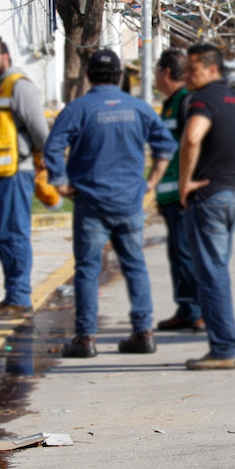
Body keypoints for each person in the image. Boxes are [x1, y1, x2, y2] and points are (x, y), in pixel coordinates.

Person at [43, 49, 178, 357]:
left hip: (90, 202)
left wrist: (61, 183)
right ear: (119, 77)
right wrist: (151, 182)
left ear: (88, 75)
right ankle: (144, 332)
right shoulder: (139, 108)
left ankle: (86, 338)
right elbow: (165, 147)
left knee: (88, 269)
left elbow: (52, 148)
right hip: (129, 202)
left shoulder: (78, 109)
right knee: (135, 265)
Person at [177, 42, 235, 370]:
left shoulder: (201, 100)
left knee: (211, 275)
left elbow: (192, 138)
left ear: (212, 70)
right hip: (231, 197)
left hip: (208, 201)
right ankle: (223, 345)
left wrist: (185, 184)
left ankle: (224, 349)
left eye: (192, 69)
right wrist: (233, 175)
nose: (186, 74)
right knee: (217, 272)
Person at [0, 36, 50, 321]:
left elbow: (40, 132)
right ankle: (12, 296)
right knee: (0, 236)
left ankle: (19, 298)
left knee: (13, 235)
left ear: (5, 54)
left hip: (16, 174)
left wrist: (44, 165)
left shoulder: (19, 85)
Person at [152, 49, 204, 333]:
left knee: (189, 254)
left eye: (156, 69)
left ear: (166, 72)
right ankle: (187, 309)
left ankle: (205, 309)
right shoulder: (171, 104)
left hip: (186, 195)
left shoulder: (186, 102)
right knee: (177, 256)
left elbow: (195, 146)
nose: (154, 75)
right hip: (171, 194)